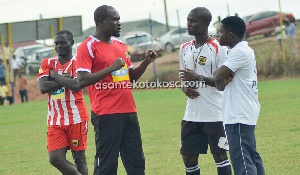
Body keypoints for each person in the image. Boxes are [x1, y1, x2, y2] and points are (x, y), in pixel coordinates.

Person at [76, 5, 158, 175]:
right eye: (114, 19)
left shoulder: (120, 45)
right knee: (107, 166)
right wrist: (111, 68)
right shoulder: (88, 47)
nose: (118, 23)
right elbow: (82, 80)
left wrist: (146, 62)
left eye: (119, 19)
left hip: (129, 111)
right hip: (106, 114)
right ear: (101, 22)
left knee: (136, 163)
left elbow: (130, 78)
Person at [182, 16, 265, 175]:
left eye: (220, 32)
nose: (216, 34)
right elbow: (220, 84)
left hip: (238, 114)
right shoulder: (237, 50)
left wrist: (198, 77)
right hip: (242, 112)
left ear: (231, 35)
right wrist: (220, 79)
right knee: (251, 156)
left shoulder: (239, 52)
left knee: (242, 160)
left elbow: (218, 76)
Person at [178, 7, 232, 175]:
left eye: (193, 21)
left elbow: (225, 82)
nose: (189, 24)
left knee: (220, 155)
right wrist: (184, 87)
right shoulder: (184, 48)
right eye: (188, 20)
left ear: (206, 24)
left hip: (215, 113)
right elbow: (182, 77)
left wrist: (199, 78)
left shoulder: (219, 48)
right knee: (188, 156)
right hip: (192, 114)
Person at [37, 30, 89, 175]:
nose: (58, 46)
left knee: (79, 158)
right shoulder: (48, 62)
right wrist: (65, 80)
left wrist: (53, 76)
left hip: (76, 118)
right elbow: (43, 87)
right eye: (56, 43)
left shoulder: (78, 62)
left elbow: (77, 85)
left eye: (62, 43)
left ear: (71, 43)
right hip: (55, 120)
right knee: (55, 158)